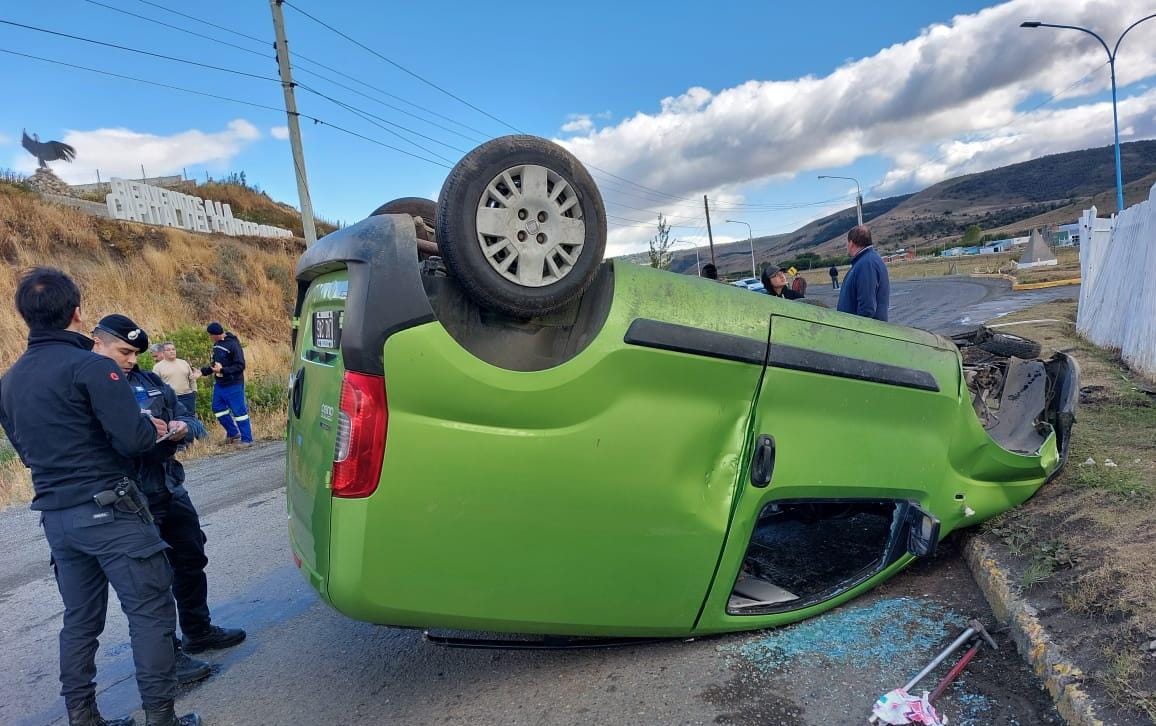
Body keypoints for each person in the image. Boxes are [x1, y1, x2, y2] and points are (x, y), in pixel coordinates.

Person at [0, 268, 201, 726]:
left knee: (80, 620)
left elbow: (27, 451)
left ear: (24, 317)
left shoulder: (9, 382)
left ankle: (84, 716)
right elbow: (133, 440)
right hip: (110, 509)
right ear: (76, 313)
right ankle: (161, 717)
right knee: (149, 611)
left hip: (57, 516)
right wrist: (152, 429)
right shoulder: (93, 367)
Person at [93, 316, 246, 683]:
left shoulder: (150, 382)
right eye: (124, 352)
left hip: (170, 488)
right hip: (132, 498)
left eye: (135, 353)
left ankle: (198, 631)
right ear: (97, 343)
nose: (131, 360)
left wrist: (180, 429)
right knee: (151, 581)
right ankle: (169, 658)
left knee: (191, 559)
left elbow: (193, 423)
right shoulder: (91, 387)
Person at [201, 322, 252, 446]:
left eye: (211, 335)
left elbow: (240, 365)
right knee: (217, 408)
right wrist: (203, 372)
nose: (210, 337)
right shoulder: (217, 344)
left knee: (239, 412)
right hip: (220, 384)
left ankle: (247, 439)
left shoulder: (233, 344)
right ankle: (233, 433)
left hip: (233, 383)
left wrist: (223, 370)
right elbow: (215, 364)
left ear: (215, 334)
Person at [837, 225, 891, 321]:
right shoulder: (866, 260)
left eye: (847, 242)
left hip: (864, 331)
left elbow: (867, 308)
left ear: (851, 243)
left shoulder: (867, 264)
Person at [151, 342, 201, 424]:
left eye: (173, 349)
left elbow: (191, 378)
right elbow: (156, 385)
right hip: (172, 399)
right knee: (177, 421)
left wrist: (194, 391)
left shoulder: (183, 363)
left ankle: (194, 436)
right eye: (168, 350)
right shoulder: (158, 367)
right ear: (163, 353)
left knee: (191, 420)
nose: (172, 351)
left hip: (187, 397)